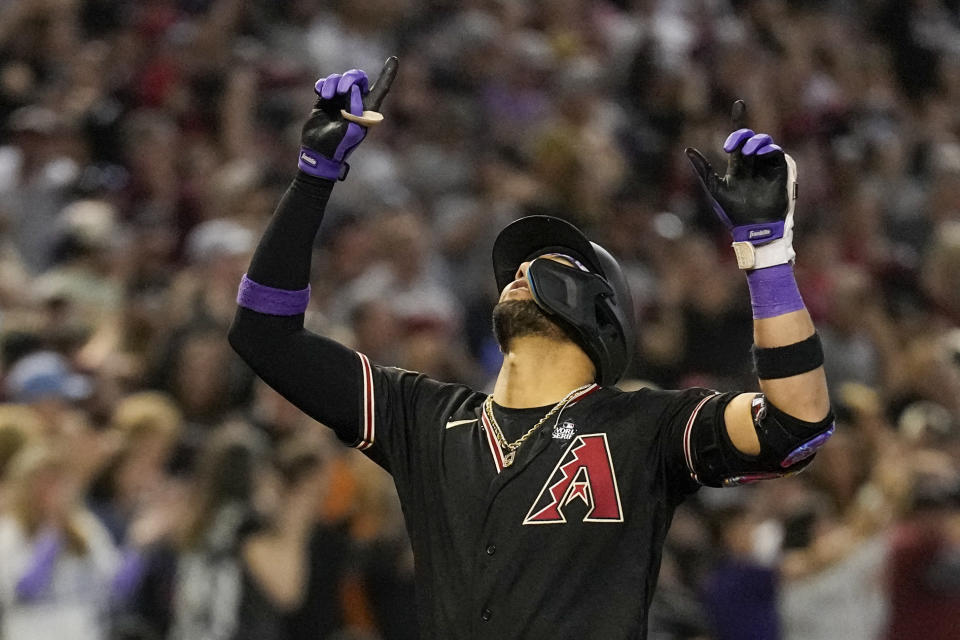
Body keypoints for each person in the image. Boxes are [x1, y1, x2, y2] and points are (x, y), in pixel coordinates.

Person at [228, 59, 835, 639]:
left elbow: (796, 425)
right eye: (516, 267)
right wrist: (312, 176)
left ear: (602, 313)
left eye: (547, 265)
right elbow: (265, 335)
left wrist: (767, 255)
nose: (518, 270)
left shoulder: (644, 427)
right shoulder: (423, 417)